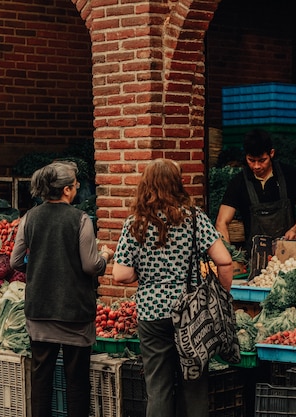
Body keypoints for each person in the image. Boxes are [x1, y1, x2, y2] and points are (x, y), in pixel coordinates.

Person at [112, 158, 233, 417]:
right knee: (194, 385)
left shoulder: (136, 222)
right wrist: (222, 296)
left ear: (146, 185)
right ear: (177, 185)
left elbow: (120, 274)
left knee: (159, 387)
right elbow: (224, 261)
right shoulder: (194, 219)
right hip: (191, 312)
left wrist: (146, 275)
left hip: (152, 312)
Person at [10, 160, 114, 417]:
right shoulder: (80, 219)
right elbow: (91, 266)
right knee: (77, 381)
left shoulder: (29, 218)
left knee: (41, 379)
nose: (77, 188)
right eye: (76, 185)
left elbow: (15, 261)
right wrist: (105, 257)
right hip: (74, 312)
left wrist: (39, 268)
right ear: (66, 190)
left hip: (40, 311)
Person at [215, 129, 296, 251]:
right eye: (251, 160)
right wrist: (228, 254)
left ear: (271, 153)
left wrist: (295, 229)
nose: (256, 166)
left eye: (262, 160)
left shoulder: (289, 174)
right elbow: (221, 222)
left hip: (288, 252)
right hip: (255, 255)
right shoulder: (238, 182)